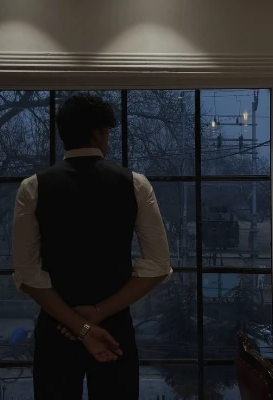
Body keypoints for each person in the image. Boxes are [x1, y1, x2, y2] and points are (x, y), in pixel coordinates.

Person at [12, 94, 172, 400]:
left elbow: (28, 275)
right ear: (100, 132)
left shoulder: (33, 188)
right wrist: (96, 314)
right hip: (114, 331)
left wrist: (77, 325)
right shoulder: (136, 184)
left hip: (56, 327)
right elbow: (157, 266)